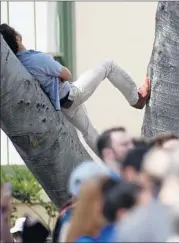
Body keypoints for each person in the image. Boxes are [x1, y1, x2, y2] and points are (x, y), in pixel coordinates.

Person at [0, 23, 150, 155]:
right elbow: (67, 74)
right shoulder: (35, 59)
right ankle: (136, 98)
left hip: (62, 106)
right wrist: (51, 62)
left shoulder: (19, 66)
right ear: (16, 38)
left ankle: (112, 163)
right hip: (71, 95)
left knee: (89, 133)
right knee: (108, 65)